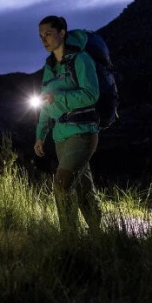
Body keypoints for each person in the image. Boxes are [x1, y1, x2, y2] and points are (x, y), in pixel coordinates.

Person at [34, 15, 103, 233]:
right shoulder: (49, 68)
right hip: (61, 137)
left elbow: (91, 94)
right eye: (41, 36)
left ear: (62, 33)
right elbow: (44, 102)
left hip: (83, 132)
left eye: (48, 34)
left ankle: (70, 239)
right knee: (83, 189)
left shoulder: (81, 60)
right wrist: (40, 135)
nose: (44, 40)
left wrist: (59, 98)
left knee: (62, 185)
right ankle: (99, 236)